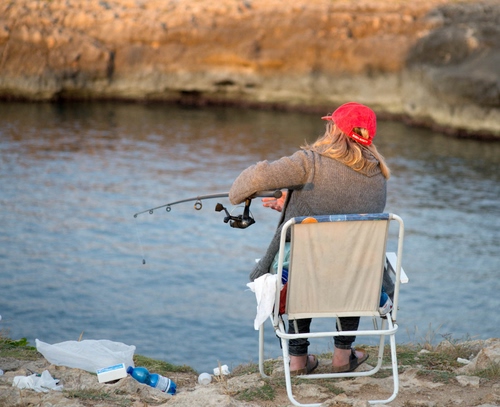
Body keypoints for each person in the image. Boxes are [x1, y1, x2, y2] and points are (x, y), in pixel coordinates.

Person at [228, 102, 391, 375]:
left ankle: (298, 360)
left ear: (335, 130)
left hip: (306, 276)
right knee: (352, 260)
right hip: (356, 278)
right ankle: (342, 357)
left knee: (297, 263)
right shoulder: (379, 176)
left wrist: (239, 195)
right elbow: (340, 210)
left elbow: (256, 178)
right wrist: (293, 201)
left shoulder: (310, 162)